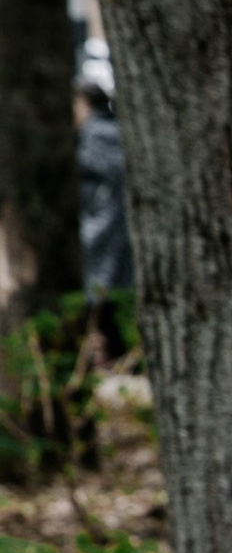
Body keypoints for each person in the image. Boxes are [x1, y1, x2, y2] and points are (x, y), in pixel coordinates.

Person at [72, 69, 133, 350]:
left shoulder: (95, 137)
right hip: (111, 234)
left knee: (105, 306)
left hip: (104, 234)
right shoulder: (108, 133)